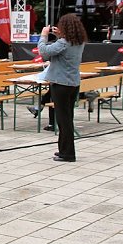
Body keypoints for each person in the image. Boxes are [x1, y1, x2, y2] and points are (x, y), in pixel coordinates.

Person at [38, 14, 87, 162]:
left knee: (63, 120)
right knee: (67, 117)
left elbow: (44, 51)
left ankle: (68, 153)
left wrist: (43, 35)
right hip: (73, 83)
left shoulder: (64, 43)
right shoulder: (79, 42)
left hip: (61, 83)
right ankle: (63, 149)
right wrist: (60, 36)